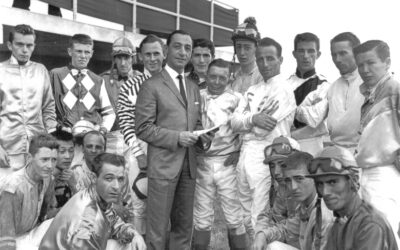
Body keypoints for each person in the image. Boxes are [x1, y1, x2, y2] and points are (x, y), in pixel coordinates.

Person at [135, 30, 206, 249]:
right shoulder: (151, 85)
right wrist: (177, 138)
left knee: (184, 228)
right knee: (157, 230)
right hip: (164, 166)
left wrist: (204, 137)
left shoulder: (193, 87)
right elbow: (143, 128)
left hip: (189, 167)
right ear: (166, 51)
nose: (183, 52)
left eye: (188, 48)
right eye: (178, 46)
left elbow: (195, 124)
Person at [231, 37, 296, 238]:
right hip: (245, 154)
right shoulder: (252, 90)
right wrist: (253, 118)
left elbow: (262, 130)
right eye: (260, 59)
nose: (265, 64)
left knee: (260, 214)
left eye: (270, 58)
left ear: (280, 60)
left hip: (268, 155)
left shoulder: (284, 89)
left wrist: (247, 121)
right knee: (243, 213)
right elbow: (234, 123)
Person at [39, 153, 147, 250]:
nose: (116, 186)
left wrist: (135, 235)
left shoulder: (96, 195)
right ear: (94, 178)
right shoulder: (88, 221)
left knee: (132, 244)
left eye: (120, 179)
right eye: (109, 179)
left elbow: (115, 223)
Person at [193, 59, 246, 250]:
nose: (216, 81)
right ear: (206, 75)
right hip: (202, 162)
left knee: (234, 215)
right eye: (212, 76)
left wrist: (239, 152)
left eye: (222, 77)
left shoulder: (238, 98)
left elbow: (246, 129)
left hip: (228, 162)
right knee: (201, 215)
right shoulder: (196, 96)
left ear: (229, 78)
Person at [117, 34, 166, 234]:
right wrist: (139, 154)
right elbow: (126, 124)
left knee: (166, 206)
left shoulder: (174, 84)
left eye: (157, 53)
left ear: (164, 54)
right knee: (139, 206)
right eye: (148, 54)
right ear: (140, 56)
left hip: (168, 150)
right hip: (141, 150)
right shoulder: (129, 86)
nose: (152, 58)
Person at [354, 40, 400, 245]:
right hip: (367, 172)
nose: (364, 69)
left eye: (371, 63)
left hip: (385, 172)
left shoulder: (394, 90)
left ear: (387, 62)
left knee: (384, 232)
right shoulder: (371, 92)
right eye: (360, 64)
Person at [308, 145, 398, 250]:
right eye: (320, 184)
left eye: (332, 182)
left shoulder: (369, 225)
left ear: (353, 181)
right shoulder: (340, 221)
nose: (325, 192)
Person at [0, 24, 57, 174]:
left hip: (37, 149)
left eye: (29, 45)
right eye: (19, 44)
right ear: (9, 45)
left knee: (37, 194)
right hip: (7, 150)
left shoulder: (41, 70)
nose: (25, 50)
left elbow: (48, 108)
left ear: (34, 46)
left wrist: (51, 142)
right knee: (7, 194)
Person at [253, 151, 333, 250]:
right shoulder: (305, 204)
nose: (293, 187)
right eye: (288, 180)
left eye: (299, 179)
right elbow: (287, 230)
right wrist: (262, 235)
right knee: (271, 246)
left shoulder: (324, 214)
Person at [0, 133, 58, 249]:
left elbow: (46, 215)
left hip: (31, 233)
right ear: (29, 158)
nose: (50, 165)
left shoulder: (48, 178)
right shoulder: (13, 187)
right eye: (45, 159)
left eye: (54, 160)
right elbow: (6, 235)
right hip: (10, 239)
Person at [49, 33, 115, 134]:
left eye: (87, 52)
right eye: (79, 51)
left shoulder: (98, 80)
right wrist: (56, 129)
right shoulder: (55, 75)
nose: (83, 56)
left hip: (90, 140)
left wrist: (101, 131)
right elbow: (46, 108)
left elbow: (109, 113)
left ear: (92, 53)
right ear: (70, 51)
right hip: (63, 138)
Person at [288, 32, 330, 156]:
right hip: (286, 147)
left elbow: (314, 118)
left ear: (318, 54)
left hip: (313, 149)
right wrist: (306, 110)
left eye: (311, 51)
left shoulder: (325, 85)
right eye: (301, 51)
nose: (306, 56)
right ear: (294, 54)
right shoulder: (283, 85)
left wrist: (288, 110)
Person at [254, 136, 300, 247]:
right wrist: (259, 233)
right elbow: (269, 215)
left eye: (282, 164)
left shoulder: (302, 188)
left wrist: (263, 235)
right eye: (272, 166)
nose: (276, 172)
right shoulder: (282, 187)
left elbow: (293, 228)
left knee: (273, 245)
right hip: (293, 241)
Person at [102, 36, 141, 157]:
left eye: (127, 57)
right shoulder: (103, 80)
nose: (123, 63)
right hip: (110, 139)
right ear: (114, 59)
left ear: (133, 58)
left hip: (136, 139)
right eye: (119, 58)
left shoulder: (143, 80)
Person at [230, 17, 263, 95]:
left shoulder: (263, 76)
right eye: (238, 47)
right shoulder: (233, 77)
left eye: (247, 48)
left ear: (257, 49)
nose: (242, 52)